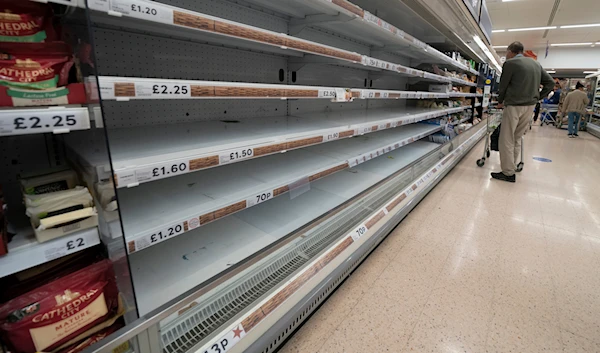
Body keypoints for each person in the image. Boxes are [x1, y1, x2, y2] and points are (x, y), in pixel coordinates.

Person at [494, 41, 554, 183]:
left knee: (506, 138)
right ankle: (512, 167)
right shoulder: (536, 64)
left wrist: (500, 101)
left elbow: (503, 85)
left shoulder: (510, 64)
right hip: (530, 107)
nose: (506, 56)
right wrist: (538, 97)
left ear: (510, 51)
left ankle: (508, 173)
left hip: (514, 105)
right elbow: (550, 83)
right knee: (517, 137)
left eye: (506, 53)